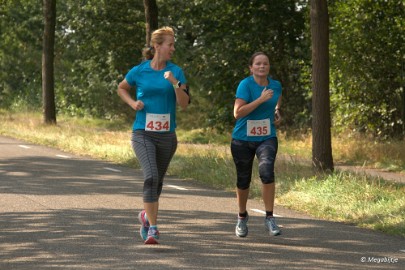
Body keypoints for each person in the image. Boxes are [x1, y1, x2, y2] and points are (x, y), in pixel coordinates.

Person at [117, 26, 190, 244]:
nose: (173, 48)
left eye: (173, 44)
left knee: (157, 182)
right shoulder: (140, 71)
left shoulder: (176, 72)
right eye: (170, 44)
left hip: (167, 135)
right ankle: (154, 229)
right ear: (157, 46)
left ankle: (146, 217)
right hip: (143, 132)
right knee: (150, 176)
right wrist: (132, 103)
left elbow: (184, 104)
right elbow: (121, 88)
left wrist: (174, 83)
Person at [230, 52, 282, 238]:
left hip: (267, 137)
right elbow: (238, 113)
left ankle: (269, 217)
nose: (262, 66)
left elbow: (277, 99)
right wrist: (260, 99)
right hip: (242, 139)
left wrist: (276, 111)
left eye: (265, 64)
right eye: (258, 64)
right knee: (243, 180)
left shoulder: (275, 85)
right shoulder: (245, 85)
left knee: (267, 172)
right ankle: (242, 216)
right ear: (251, 67)